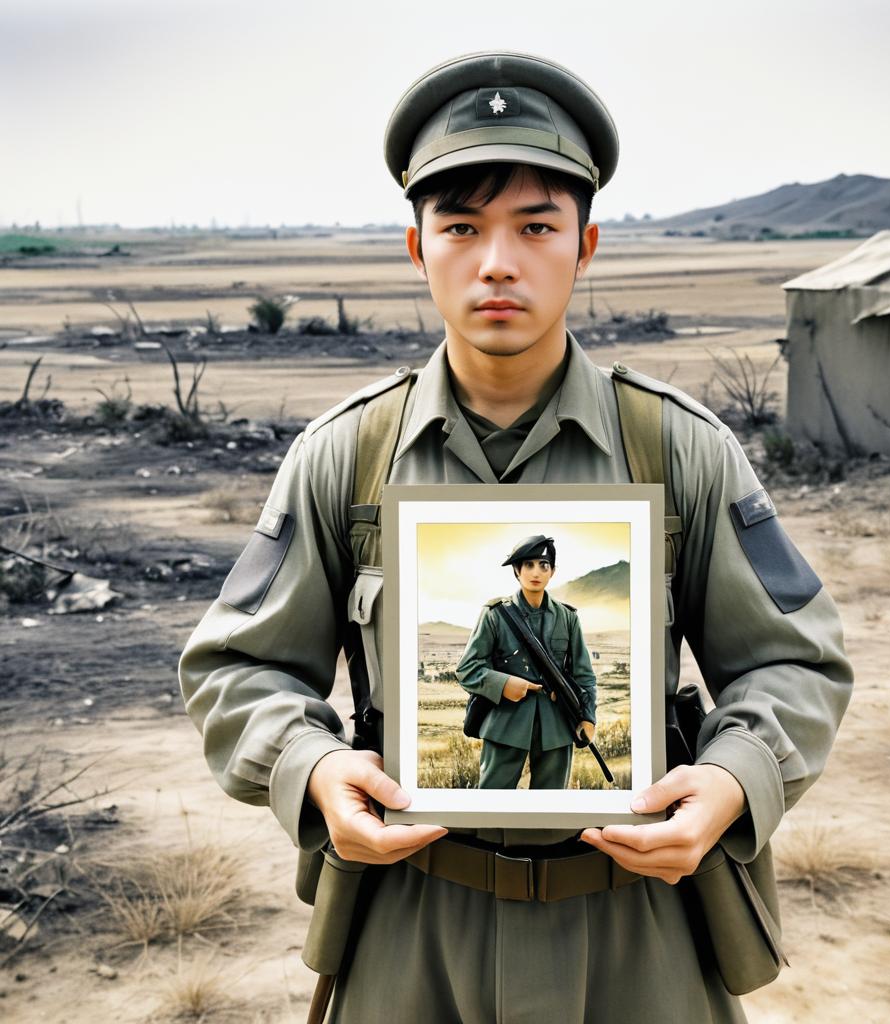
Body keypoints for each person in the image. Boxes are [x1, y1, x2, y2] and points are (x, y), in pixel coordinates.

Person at [179, 50, 852, 1023]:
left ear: (584, 247)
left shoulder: (681, 451)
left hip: (638, 936)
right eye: (460, 227)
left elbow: (795, 662)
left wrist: (730, 781)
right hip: (415, 929)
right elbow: (236, 668)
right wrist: (314, 768)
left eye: (536, 227)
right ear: (418, 249)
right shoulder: (343, 458)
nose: (497, 261)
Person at [455, 534, 598, 790]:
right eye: (529, 565)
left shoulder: (568, 618)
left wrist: (588, 717)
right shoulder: (496, 614)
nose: (536, 572)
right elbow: (467, 669)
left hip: (556, 726)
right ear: (517, 571)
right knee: (492, 800)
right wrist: (504, 683)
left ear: (553, 571)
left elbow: (583, 675)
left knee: (551, 806)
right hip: (505, 723)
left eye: (544, 565)